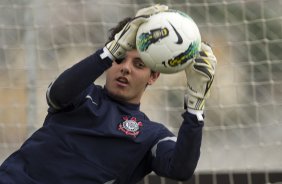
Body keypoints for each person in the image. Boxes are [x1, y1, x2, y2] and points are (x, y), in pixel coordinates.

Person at [0, 4, 216, 184]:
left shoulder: (151, 135)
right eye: (120, 58)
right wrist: (110, 50)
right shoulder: (81, 93)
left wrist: (196, 105)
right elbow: (57, 93)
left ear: (153, 77)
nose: (125, 68)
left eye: (139, 64)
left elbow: (181, 169)